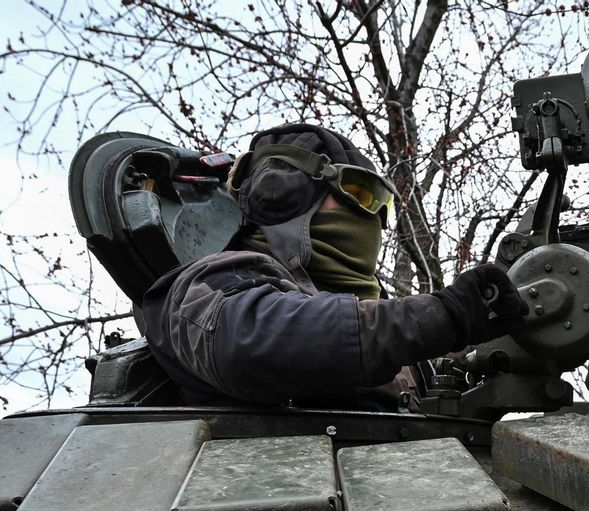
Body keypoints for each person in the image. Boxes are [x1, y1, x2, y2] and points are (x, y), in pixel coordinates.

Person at [135, 123, 524, 411]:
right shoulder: (212, 285)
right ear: (285, 195)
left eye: (379, 205)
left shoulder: (383, 333)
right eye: (358, 193)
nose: (373, 218)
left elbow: (439, 375)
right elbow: (257, 341)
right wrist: (446, 315)